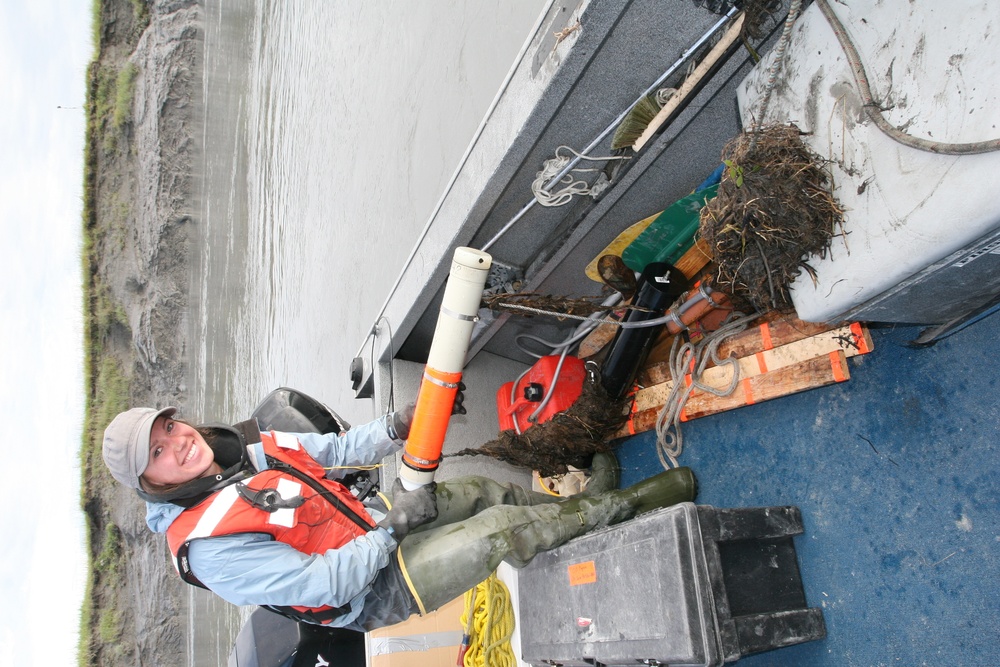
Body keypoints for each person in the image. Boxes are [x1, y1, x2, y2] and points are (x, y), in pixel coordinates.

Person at [102, 400, 697, 632]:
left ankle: (580, 507)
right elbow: (323, 582)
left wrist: (395, 428)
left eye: (169, 427)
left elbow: (330, 453)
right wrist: (394, 528)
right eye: (159, 453)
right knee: (497, 533)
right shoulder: (207, 550)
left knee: (484, 495)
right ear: (152, 484)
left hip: (366, 521)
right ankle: (628, 507)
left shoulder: (233, 449)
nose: (178, 443)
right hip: (373, 589)